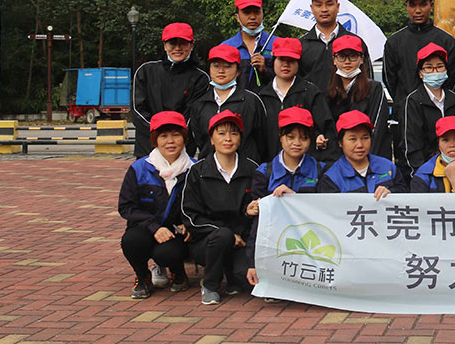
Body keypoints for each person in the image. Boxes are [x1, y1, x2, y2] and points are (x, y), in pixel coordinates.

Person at [243, 107, 325, 295]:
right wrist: (252, 263)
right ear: (280, 137)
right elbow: (260, 224)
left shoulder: (321, 171)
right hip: (278, 245)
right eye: (290, 137)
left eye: (303, 138)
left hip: (312, 245)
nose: (297, 143)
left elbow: (325, 213)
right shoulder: (264, 173)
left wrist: (293, 199)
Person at [180, 110, 256, 306]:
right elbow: (189, 216)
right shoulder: (197, 171)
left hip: (242, 241)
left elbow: (257, 210)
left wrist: (247, 215)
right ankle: (210, 285)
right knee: (222, 236)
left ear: (240, 138)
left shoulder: (252, 170)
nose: (228, 139)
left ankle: (232, 276)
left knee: (244, 281)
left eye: (234, 133)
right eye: (221, 133)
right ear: (211, 139)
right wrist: (227, 234)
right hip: (207, 242)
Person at [118, 111, 193, 298]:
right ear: (155, 140)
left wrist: (190, 224)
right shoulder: (139, 168)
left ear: (184, 139)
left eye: (176, 135)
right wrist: (154, 227)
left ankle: (178, 273)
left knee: (166, 253)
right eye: (163, 136)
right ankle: (142, 276)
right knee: (131, 241)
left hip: (176, 233)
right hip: (145, 227)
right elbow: (126, 206)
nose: (170, 141)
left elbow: (203, 205)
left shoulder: (195, 169)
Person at [131, 22, 208, 158]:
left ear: (191, 45)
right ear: (165, 45)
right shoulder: (146, 71)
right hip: (147, 150)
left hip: (181, 150)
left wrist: (174, 139)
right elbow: (138, 111)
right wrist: (159, 136)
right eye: (173, 43)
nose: (177, 48)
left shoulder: (200, 78)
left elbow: (192, 116)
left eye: (183, 43)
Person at [187, 44, 270, 164]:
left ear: (238, 71)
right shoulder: (199, 104)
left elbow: (262, 140)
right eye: (216, 66)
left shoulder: (251, 101)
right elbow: (199, 140)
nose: (221, 71)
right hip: (209, 171)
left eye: (227, 66)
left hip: (246, 172)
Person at [383, 0, 455, 108]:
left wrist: (440, 101)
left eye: (423, 4)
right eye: (412, 5)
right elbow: (390, 80)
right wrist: (405, 102)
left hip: (440, 110)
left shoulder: (446, 41)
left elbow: (453, 77)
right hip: (406, 111)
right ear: (406, 7)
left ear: (431, 5)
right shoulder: (394, 42)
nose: (418, 10)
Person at [257, 37, 333, 160]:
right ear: (273, 61)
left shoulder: (311, 93)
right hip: (272, 166)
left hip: (306, 167)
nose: (285, 64)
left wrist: (319, 138)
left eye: (291, 60)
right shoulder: (262, 97)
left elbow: (326, 129)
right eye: (281, 59)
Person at [297, 0, 373, 94]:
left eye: (329, 4)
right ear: (312, 8)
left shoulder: (356, 42)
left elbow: (367, 78)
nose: (324, 9)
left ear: (337, 7)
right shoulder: (301, 44)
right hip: (312, 108)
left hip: (349, 107)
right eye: (318, 5)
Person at [324, 35, 391, 160]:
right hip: (338, 158)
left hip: (369, 157)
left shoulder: (374, 88)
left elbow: (377, 127)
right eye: (342, 57)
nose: (347, 62)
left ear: (361, 59)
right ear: (334, 60)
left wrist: (367, 159)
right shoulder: (328, 91)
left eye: (353, 56)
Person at [402, 43, 455, 177]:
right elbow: (412, 144)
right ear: (420, 73)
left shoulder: (453, 100)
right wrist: (421, 175)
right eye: (429, 68)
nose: (435, 72)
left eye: (439, 67)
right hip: (427, 172)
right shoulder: (413, 101)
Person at [319, 110, 398, 197]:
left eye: (365, 138)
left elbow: (405, 195)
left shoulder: (387, 167)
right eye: (353, 139)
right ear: (340, 143)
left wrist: (391, 193)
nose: (360, 145)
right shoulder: (332, 177)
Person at [220, 0, 273, 88]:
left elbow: (287, 82)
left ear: (263, 14)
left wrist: (266, 70)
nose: (252, 17)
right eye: (246, 12)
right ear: (237, 17)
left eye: (257, 12)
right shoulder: (226, 47)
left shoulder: (276, 44)